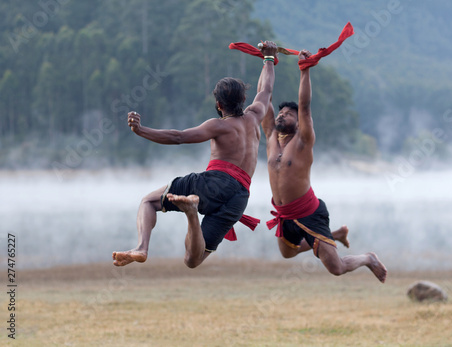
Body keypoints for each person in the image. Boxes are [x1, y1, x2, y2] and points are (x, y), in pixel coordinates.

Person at [113, 41, 278, 268]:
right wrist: (268, 59)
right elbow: (265, 90)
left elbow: (178, 137)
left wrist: (141, 131)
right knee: (193, 260)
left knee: (149, 202)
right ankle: (191, 213)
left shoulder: (219, 126)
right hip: (239, 196)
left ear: (219, 104)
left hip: (215, 183)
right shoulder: (255, 116)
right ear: (243, 100)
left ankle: (143, 247)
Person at [261, 49, 387, 282]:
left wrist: (305, 70)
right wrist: (268, 60)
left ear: (299, 123)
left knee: (336, 268)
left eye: (288, 114)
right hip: (284, 213)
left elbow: (305, 105)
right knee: (287, 253)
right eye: (280, 113)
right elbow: (263, 97)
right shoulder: (270, 138)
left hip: (309, 211)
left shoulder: (303, 141)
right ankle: (336, 234)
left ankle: (367, 258)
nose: (280, 116)